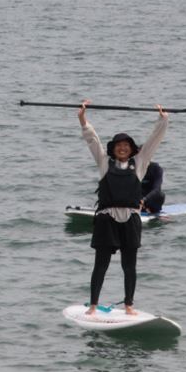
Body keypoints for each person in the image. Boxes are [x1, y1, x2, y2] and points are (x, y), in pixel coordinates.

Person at [78, 100, 168, 315]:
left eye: (126, 145)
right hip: (106, 220)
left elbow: (153, 142)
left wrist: (162, 120)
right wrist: (83, 119)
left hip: (131, 220)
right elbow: (93, 140)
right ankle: (92, 306)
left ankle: (129, 305)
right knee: (101, 265)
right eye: (119, 145)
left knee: (129, 266)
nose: (122, 148)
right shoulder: (103, 162)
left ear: (131, 150)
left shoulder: (139, 164)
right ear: (113, 149)